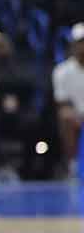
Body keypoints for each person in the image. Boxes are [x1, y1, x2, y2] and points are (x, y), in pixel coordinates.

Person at [51, 23, 84, 179]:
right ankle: (73, 163)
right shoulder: (61, 71)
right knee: (65, 116)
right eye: (80, 42)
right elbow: (62, 103)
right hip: (75, 115)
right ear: (73, 45)